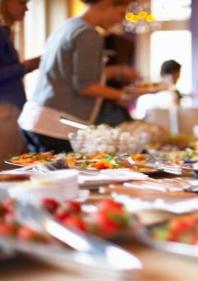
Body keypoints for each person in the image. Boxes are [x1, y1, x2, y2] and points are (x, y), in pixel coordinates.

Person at [18, 0, 142, 153]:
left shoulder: (68, 26)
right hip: (57, 124)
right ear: (106, 4)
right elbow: (85, 86)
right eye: (121, 13)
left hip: (35, 118)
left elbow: (72, 73)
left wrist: (115, 72)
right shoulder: (88, 33)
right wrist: (124, 95)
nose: (121, 20)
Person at [0, 0, 39, 169]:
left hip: (11, 108)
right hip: (4, 109)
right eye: (22, 3)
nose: (26, 8)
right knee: (7, 172)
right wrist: (27, 66)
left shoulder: (5, 31)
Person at [95, 32, 139, 126]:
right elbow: (87, 79)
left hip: (117, 104)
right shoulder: (94, 41)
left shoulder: (124, 43)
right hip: (99, 105)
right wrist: (118, 71)